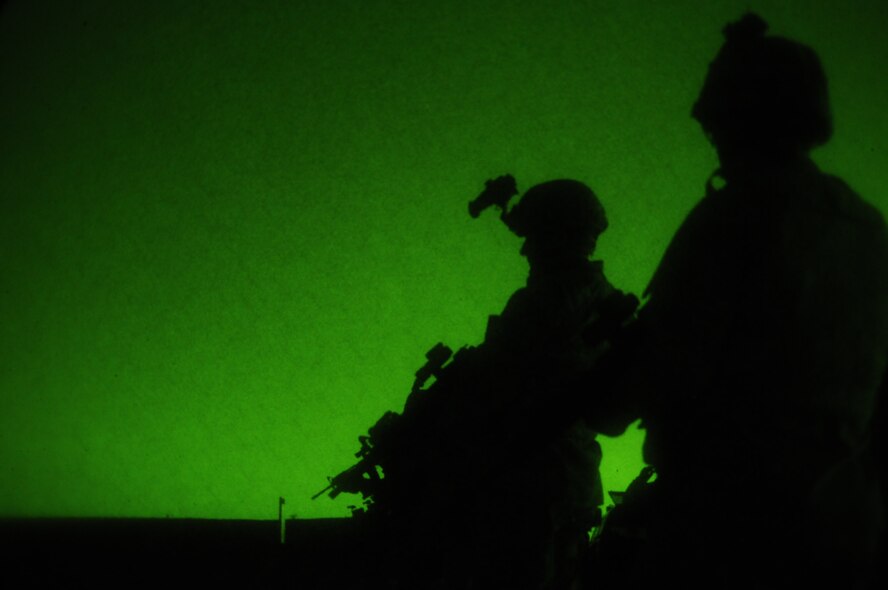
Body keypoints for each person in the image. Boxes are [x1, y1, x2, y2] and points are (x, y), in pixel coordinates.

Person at [589, 12, 888, 589]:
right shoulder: (862, 224)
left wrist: (604, 395)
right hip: (837, 514)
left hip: (728, 517)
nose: (706, 124)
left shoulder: (737, 215)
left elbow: (668, 360)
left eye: (717, 112)